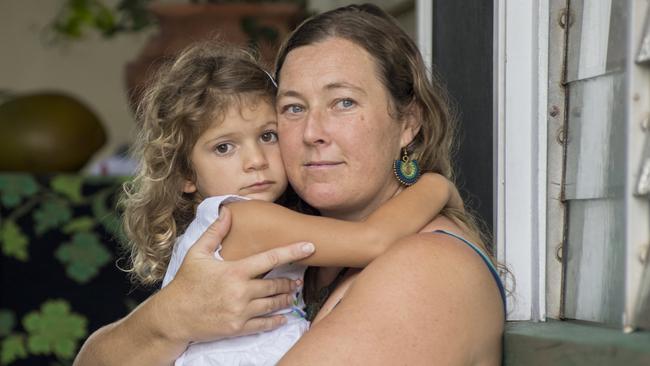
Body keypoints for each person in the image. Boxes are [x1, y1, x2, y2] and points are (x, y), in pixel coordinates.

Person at [75, 4, 506, 365]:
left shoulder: (428, 269)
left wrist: (434, 186)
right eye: (294, 108)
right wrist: (169, 318)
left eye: (343, 102)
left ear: (408, 122)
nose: (312, 131)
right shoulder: (291, 249)